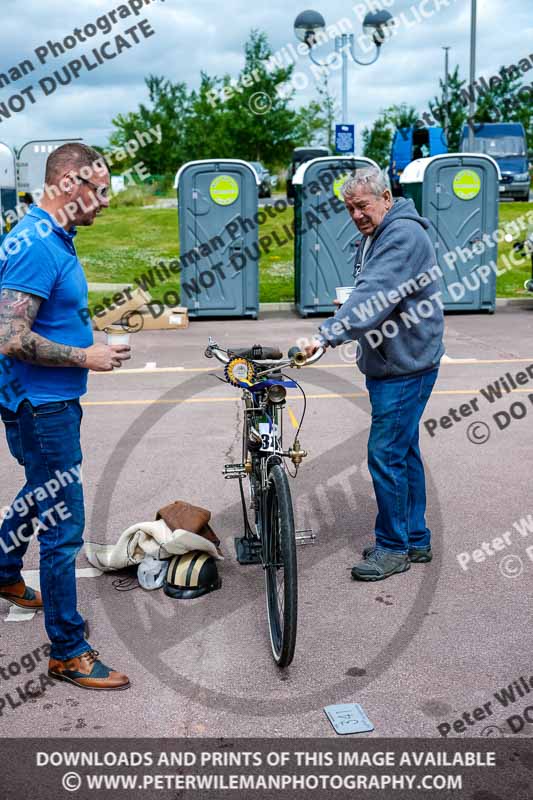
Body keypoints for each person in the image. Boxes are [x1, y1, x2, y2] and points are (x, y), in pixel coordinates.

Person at [0, 143, 131, 689]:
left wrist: (83, 333)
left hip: (43, 402)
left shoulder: (52, 236)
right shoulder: (35, 245)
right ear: (67, 182)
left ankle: (5, 571)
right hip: (42, 406)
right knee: (63, 524)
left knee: (38, 494)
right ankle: (67, 650)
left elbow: (41, 316)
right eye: (98, 191)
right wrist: (86, 356)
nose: (104, 202)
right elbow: (9, 337)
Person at [305, 166, 444, 582]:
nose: (356, 215)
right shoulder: (378, 234)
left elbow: (375, 292)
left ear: (386, 197)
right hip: (398, 360)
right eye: (349, 208)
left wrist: (326, 335)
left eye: (362, 205)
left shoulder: (402, 235)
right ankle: (414, 538)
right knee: (403, 451)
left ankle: (393, 547)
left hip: (404, 365)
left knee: (385, 454)